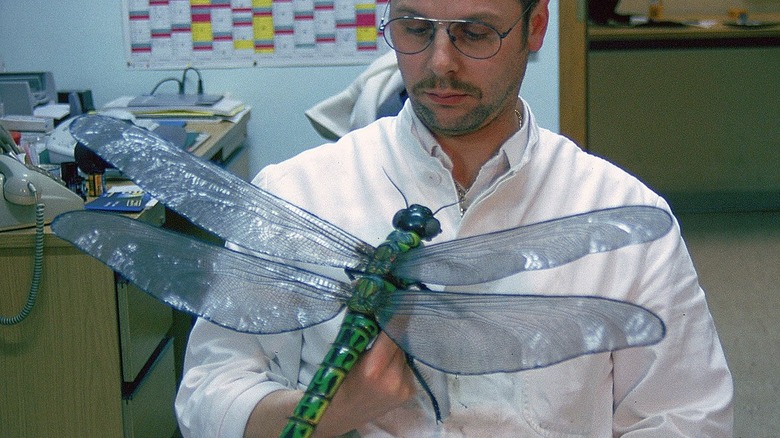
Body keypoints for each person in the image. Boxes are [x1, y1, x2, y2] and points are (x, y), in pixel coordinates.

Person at [175, 0, 734, 436]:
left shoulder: (620, 214)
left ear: (535, 28)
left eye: (475, 33)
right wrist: (337, 409)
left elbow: (686, 418)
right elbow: (206, 394)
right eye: (415, 28)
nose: (440, 62)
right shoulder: (295, 192)